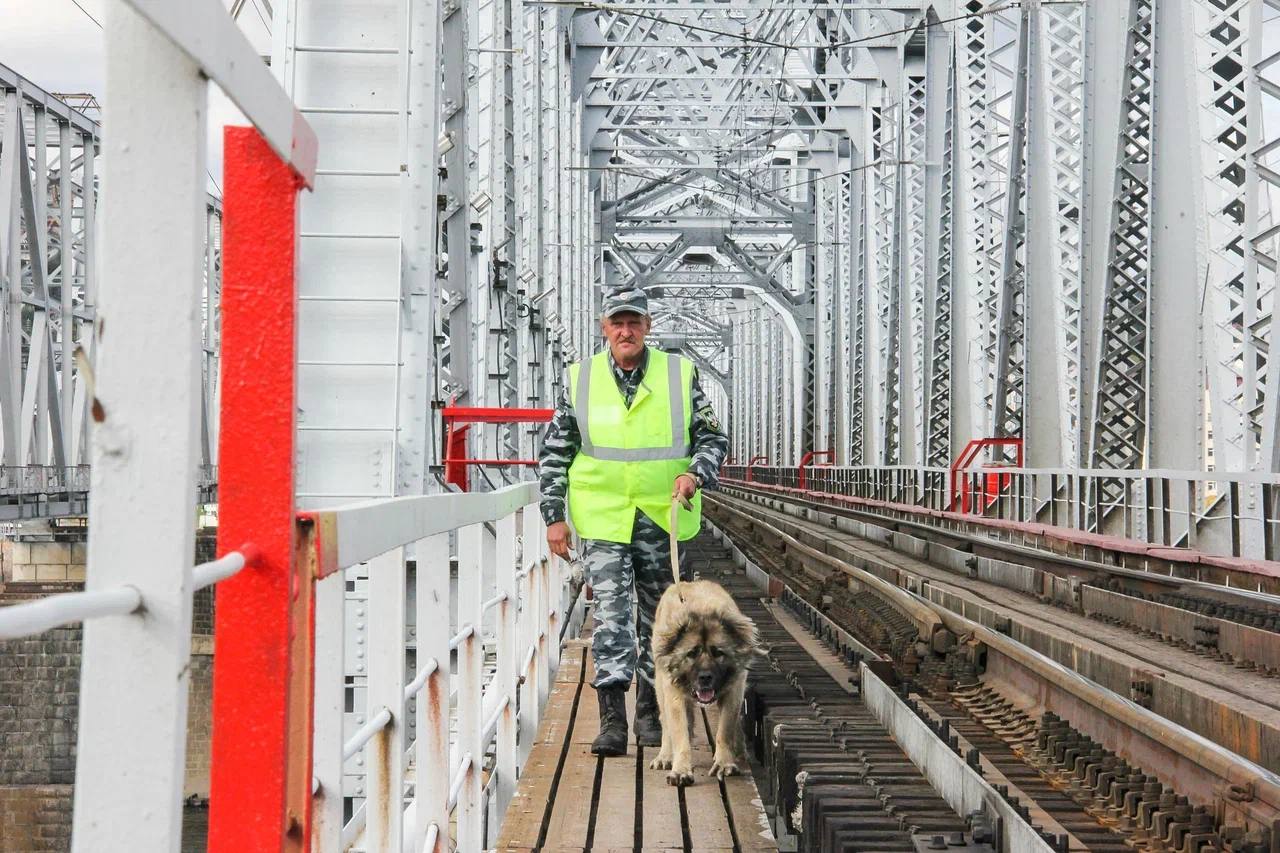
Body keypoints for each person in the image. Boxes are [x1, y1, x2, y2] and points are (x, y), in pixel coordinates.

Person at [537, 286, 730, 756]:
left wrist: (693, 474)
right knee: (610, 616)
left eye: (635, 322)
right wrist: (554, 516)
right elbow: (556, 452)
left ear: (647, 327)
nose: (626, 331)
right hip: (603, 517)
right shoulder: (580, 379)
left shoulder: (677, 375)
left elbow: (712, 438)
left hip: (660, 517)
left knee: (661, 623)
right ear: (604, 327)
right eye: (617, 323)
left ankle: (650, 713)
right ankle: (611, 721)